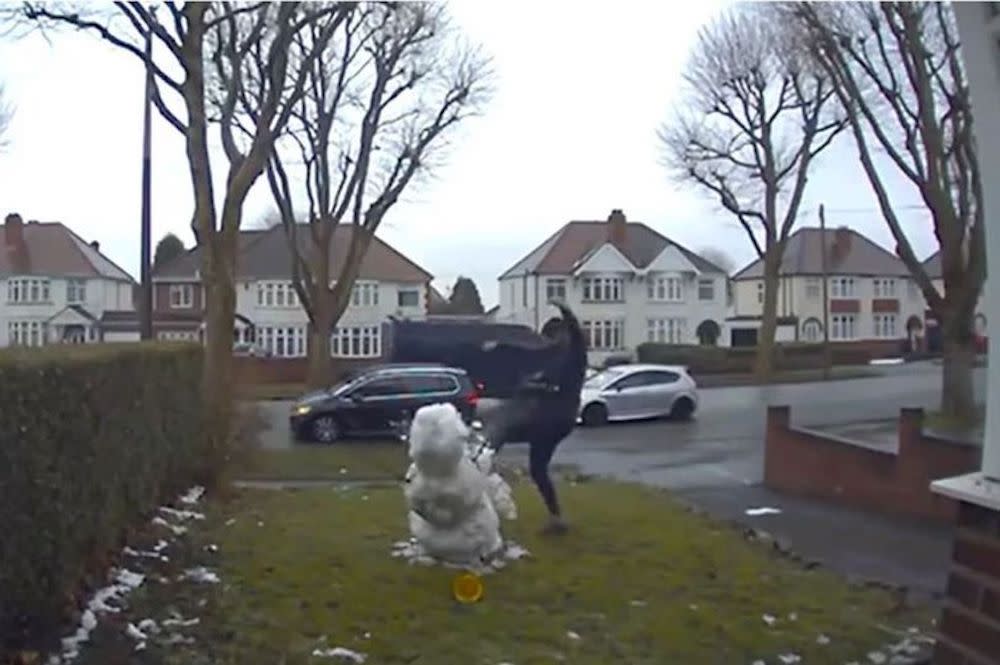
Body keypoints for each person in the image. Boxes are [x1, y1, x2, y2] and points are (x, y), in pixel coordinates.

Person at [481, 299, 587, 535]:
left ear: (563, 335)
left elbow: (577, 336)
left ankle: (482, 464)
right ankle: (557, 519)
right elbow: (531, 367)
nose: (552, 345)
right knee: (538, 469)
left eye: (555, 339)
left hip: (557, 418)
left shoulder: (575, 356)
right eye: (549, 341)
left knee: (503, 429)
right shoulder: (553, 360)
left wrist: (566, 311)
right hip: (549, 421)